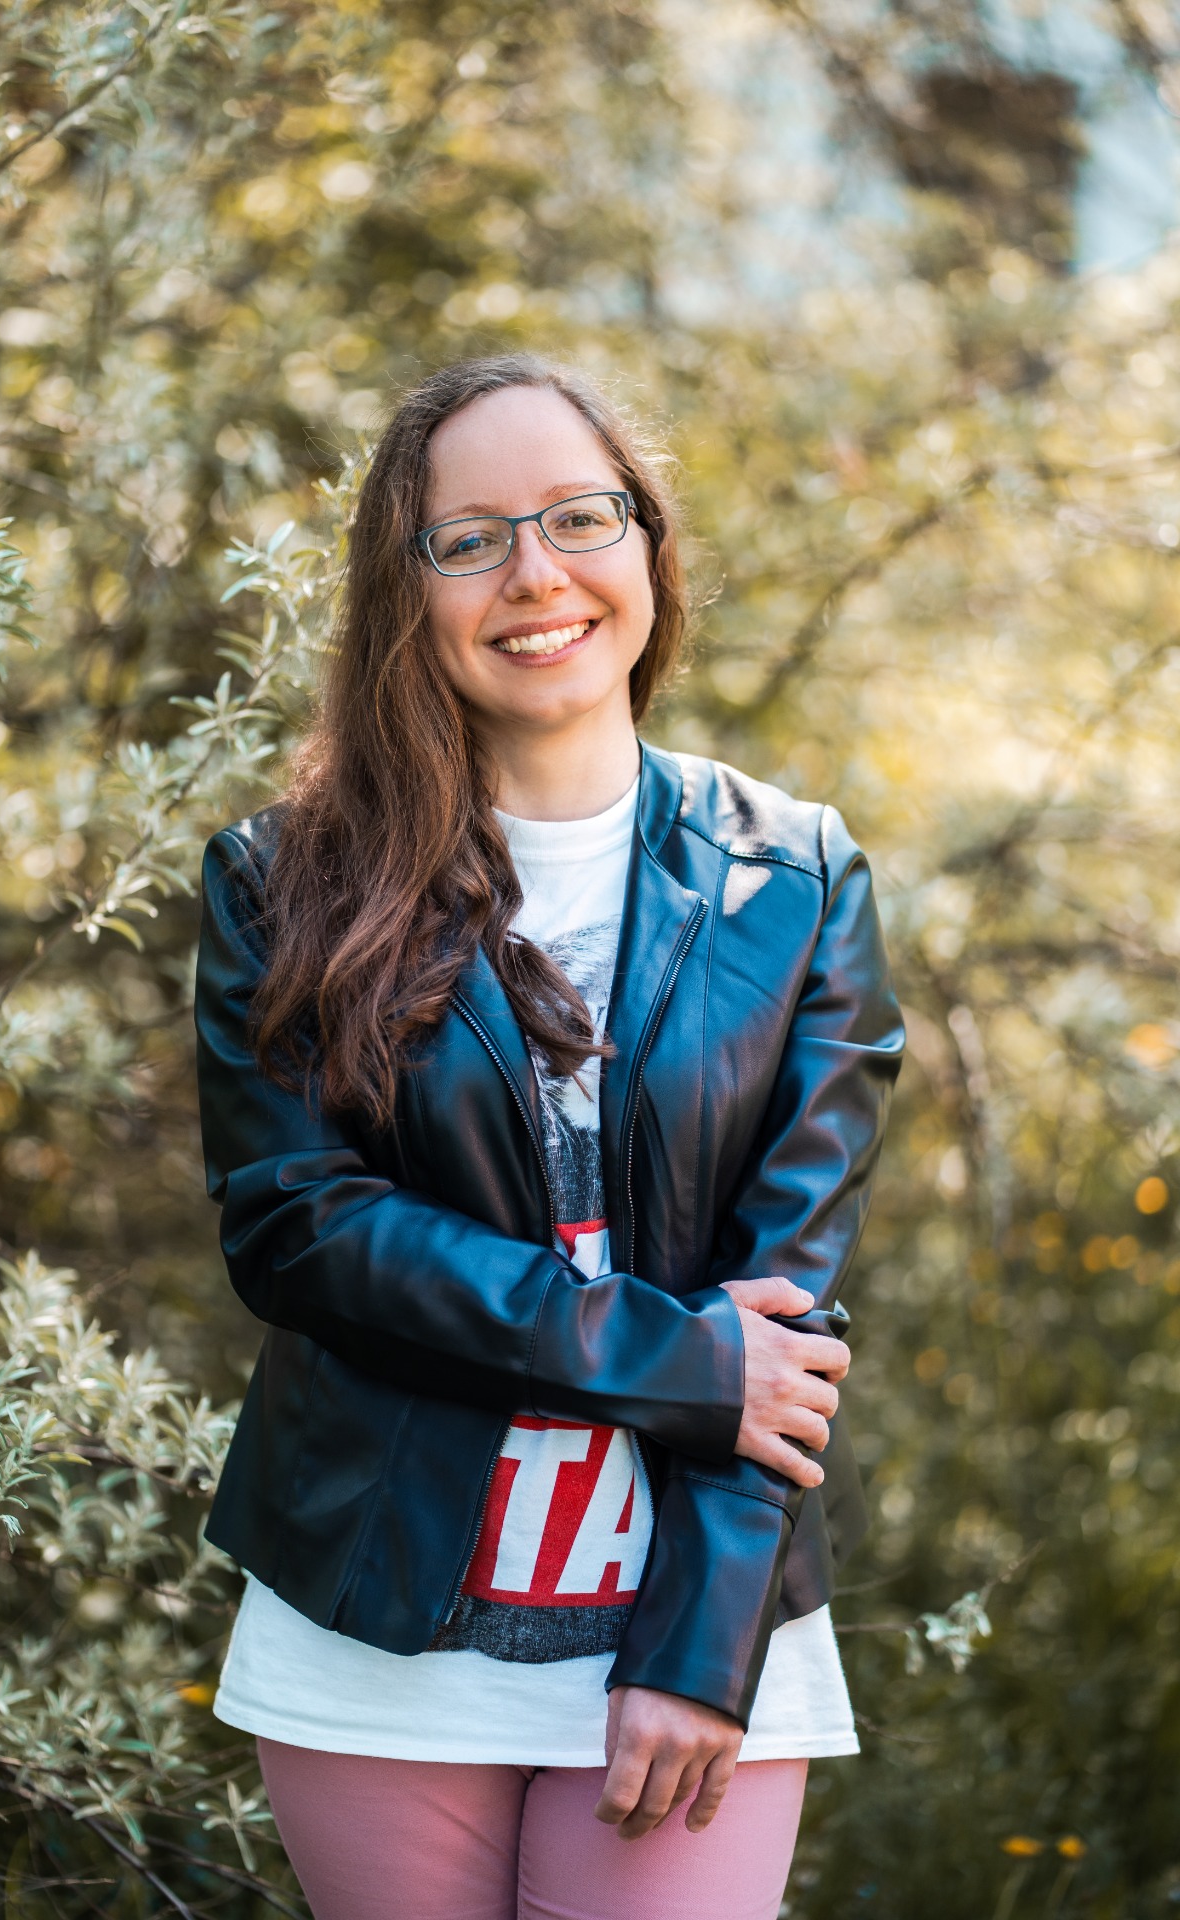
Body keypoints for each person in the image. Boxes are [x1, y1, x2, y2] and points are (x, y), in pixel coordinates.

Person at [192, 353, 905, 1920]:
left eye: (581, 516)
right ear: (406, 590)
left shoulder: (799, 878)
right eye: (471, 539)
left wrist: (701, 1654)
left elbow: (786, 1310)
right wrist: (680, 1358)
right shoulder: (278, 880)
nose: (536, 575)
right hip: (377, 1626)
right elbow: (299, 1230)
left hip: (694, 1623)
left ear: (648, 540)